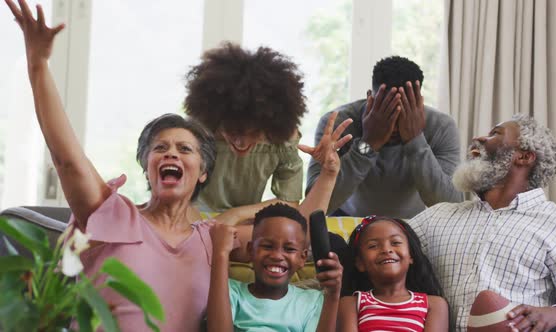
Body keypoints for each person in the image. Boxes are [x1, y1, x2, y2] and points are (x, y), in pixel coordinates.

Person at [5, 0, 353, 330]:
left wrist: (329, 173)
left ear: (203, 171)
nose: (172, 154)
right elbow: (66, 157)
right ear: (147, 165)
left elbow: (299, 228)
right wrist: (38, 65)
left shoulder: (212, 236)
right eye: (161, 148)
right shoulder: (112, 214)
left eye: (185, 149)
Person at [407, 114, 556, 331]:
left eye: (495, 133)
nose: (478, 138)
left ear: (523, 157)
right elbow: (381, 243)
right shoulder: (435, 218)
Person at [307, 56, 462, 219]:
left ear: (419, 103)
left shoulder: (441, 126)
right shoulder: (338, 123)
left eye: (402, 112)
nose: (393, 124)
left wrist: (415, 140)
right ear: (369, 98)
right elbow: (313, 203)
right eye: (385, 109)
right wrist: (368, 144)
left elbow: (451, 206)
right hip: (348, 219)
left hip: (412, 223)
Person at [184, 43, 307, 224]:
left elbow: (290, 201)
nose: (241, 143)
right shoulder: (195, 133)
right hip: (191, 221)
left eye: (253, 133)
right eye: (232, 132)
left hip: (243, 225)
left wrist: (235, 215)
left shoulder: (283, 139)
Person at [207, 203, 342, 331]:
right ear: (250, 250)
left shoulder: (312, 301)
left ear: (303, 258)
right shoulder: (230, 291)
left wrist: (332, 296)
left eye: (289, 249)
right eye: (267, 246)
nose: (277, 256)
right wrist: (221, 253)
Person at [337, 215, 448, 331]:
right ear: (360, 263)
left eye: (395, 242)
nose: (386, 249)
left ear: (411, 255)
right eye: (373, 246)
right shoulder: (351, 304)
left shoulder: (434, 305)